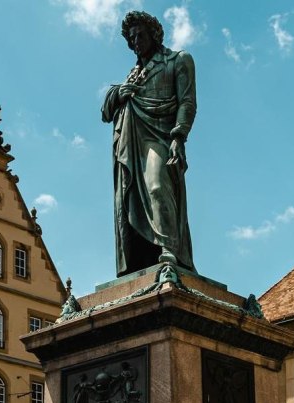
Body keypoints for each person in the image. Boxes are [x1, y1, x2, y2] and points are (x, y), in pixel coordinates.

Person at [101, 10, 197, 276]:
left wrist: (179, 136)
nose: (135, 42)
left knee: (157, 185)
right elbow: (105, 113)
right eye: (131, 38)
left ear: (154, 34)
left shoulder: (178, 60)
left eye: (140, 35)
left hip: (161, 135)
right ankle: (142, 257)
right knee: (128, 198)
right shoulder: (132, 75)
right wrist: (119, 93)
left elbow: (187, 102)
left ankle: (170, 250)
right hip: (131, 143)